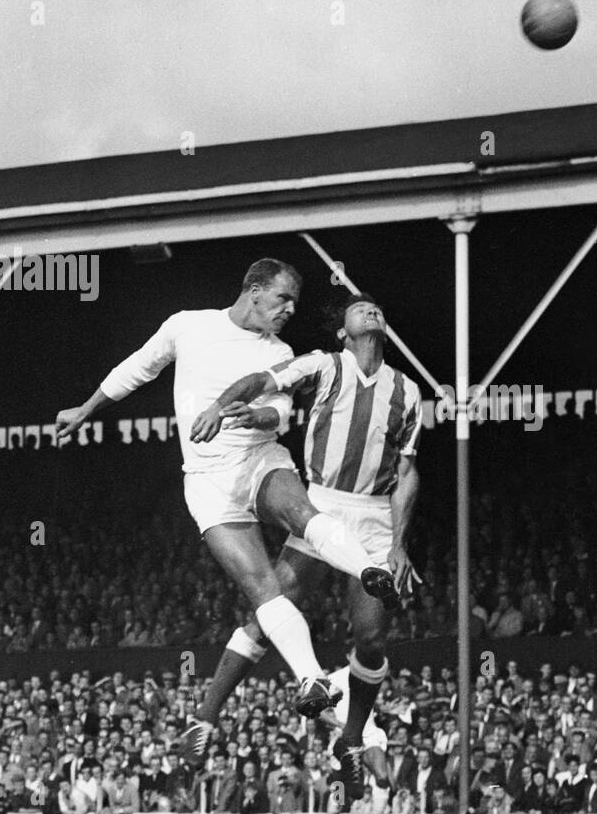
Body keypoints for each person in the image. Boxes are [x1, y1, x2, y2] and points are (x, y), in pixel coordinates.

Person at [55, 261, 396, 727]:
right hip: (209, 482)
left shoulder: (280, 349)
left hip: (260, 460)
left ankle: (369, 568)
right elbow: (138, 368)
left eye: (294, 302)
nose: (290, 310)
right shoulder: (188, 326)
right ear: (254, 291)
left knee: (300, 511)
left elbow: (280, 407)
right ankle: (311, 677)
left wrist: (262, 418)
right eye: (283, 299)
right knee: (262, 588)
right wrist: (88, 407)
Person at [182, 292, 419, 783]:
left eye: (377, 307)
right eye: (359, 308)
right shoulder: (324, 365)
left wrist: (399, 544)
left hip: (373, 516)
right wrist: (224, 404)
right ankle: (203, 717)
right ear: (342, 331)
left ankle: (351, 741)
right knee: (270, 608)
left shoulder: (408, 391)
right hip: (322, 505)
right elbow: (263, 382)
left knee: (371, 639)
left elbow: (408, 472)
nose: (371, 310)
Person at [318, 664, 395, 814]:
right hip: (345, 738)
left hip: (368, 734)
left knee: (382, 777)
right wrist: (340, 723)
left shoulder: (370, 674)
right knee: (340, 795)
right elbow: (319, 711)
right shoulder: (332, 679)